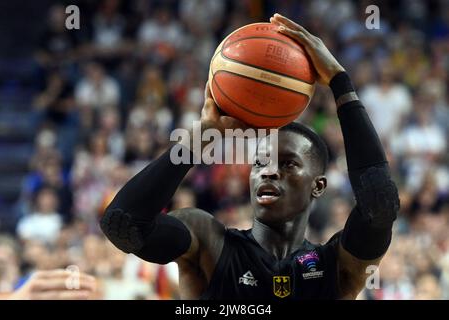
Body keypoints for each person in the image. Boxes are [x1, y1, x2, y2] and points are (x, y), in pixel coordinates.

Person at [100, 14, 400, 300]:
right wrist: (196, 141)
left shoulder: (334, 266)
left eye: (288, 163)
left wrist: (340, 81)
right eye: (260, 163)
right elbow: (122, 224)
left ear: (318, 186)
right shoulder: (208, 242)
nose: (268, 172)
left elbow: (379, 203)